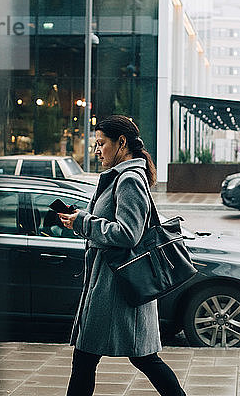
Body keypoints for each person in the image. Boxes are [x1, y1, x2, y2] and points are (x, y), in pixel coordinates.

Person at [58, 115, 186, 396]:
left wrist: (84, 222)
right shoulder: (120, 177)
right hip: (108, 286)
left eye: (101, 143)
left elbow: (129, 234)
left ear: (122, 143)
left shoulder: (129, 179)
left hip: (116, 288)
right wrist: (80, 220)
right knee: (97, 359)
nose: (96, 150)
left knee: (133, 358)